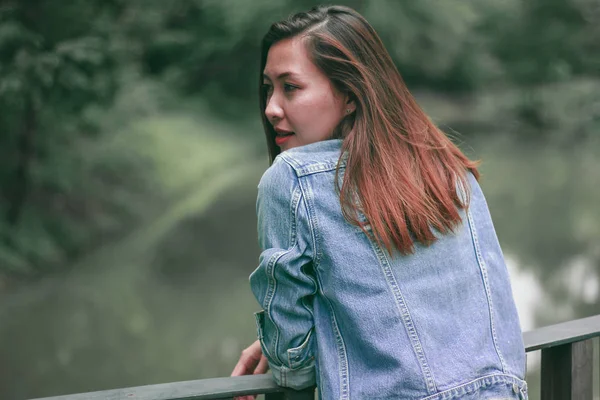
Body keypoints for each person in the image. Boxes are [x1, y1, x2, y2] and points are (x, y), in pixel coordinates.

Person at [232, 5, 528, 400]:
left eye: (291, 87)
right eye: (269, 87)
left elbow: (293, 364)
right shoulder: (449, 168)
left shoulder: (293, 179)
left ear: (351, 95)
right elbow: (493, 318)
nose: (271, 107)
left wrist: (282, 349)